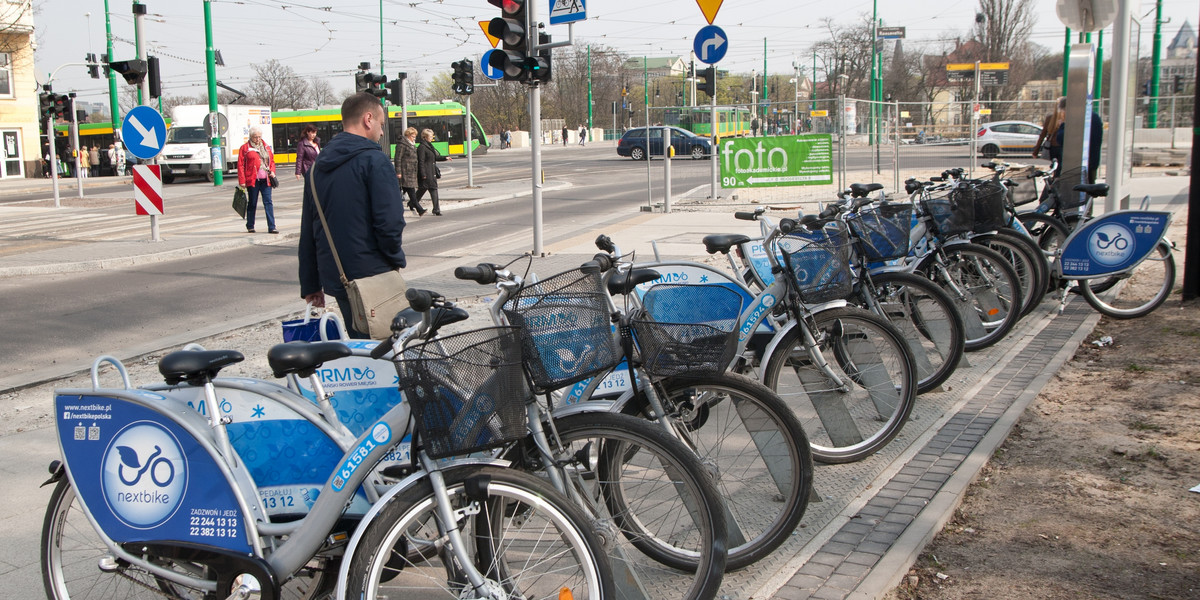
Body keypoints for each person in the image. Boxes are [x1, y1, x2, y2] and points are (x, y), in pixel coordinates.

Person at [298, 92, 407, 339]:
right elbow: (389, 223)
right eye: (381, 124)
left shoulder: (316, 168)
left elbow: (309, 230)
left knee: (364, 354)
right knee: (392, 353)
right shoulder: (375, 161)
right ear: (368, 119)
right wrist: (394, 259)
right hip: (375, 276)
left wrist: (311, 283)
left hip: (339, 278)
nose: (381, 132)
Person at [237, 127, 278, 234]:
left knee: (268, 202)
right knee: (252, 203)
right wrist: (242, 180)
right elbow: (240, 165)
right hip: (253, 179)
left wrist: (272, 171)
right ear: (251, 137)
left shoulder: (266, 147)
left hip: (266, 179)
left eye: (259, 137)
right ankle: (250, 225)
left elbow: (272, 161)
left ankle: (272, 226)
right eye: (255, 137)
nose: (258, 139)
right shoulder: (245, 148)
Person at [415, 128, 450, 216]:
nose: (432, 138)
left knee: (432, 189)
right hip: (426, 172)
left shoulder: (430, 146)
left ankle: (436, 209)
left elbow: (435, 157)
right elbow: (421, 161)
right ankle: (413, 202)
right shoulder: (422, 147)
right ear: (425, 137)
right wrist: (422, 174)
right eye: (431, 136)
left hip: (432, 171)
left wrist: (445, 158)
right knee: (423, 189)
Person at [394, 126, 423, 215]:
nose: (414, 138)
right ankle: (419, 208)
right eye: (413, 136)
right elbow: (397, 158)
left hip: (411, 171)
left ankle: (414, 207)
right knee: (410, 190)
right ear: (408, 135)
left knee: (407, 191)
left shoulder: (412, 144)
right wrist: (398, 172)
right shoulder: (402, 144)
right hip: (404, 171)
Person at [1034, 96, 1066, 175]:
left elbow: (1042, 135)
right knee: (1060, 168)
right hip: (1062, 146)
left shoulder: (1050, 117)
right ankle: (1056, 182)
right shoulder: (1065, 117)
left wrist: (1036, 151)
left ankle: (1053, 182)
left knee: (1054, 167)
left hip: (1051, 147)